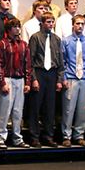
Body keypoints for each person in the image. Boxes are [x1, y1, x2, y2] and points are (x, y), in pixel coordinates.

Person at [27, 11, 64, 147]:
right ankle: (34, 136)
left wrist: (59, 79)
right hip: (39, 72)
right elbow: (30, 60)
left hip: (52, 74)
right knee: (36, 106)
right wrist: (34, 79)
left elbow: (60, 61)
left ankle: (48, 136)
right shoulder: (35, 37)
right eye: (48, 22)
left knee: (50, 107)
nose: (51, 24)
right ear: (42, 23)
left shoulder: (56, 39)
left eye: (52, 21)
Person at [60, 14, 85, 147]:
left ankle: (79, 135)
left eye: (82, 24)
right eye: (77, 24)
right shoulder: (66, 41)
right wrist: (63, 77)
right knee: (68, 109)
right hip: (71, 77)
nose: (80, 26)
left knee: (82, 109)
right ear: (73, 25)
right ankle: (66, 135)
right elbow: (62, 61)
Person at [0, 18, 33, 149]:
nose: (17, 29)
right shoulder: (2, 44)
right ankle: (0, 137)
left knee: (18, 111)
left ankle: (17, 137)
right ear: (9, 29)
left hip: (20, 79)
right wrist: (2, 82)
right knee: (4, 110)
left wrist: (27, 81)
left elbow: (27, 64)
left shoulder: (23, 44)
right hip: (8, 78)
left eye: (18, 27)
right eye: (15, 27)